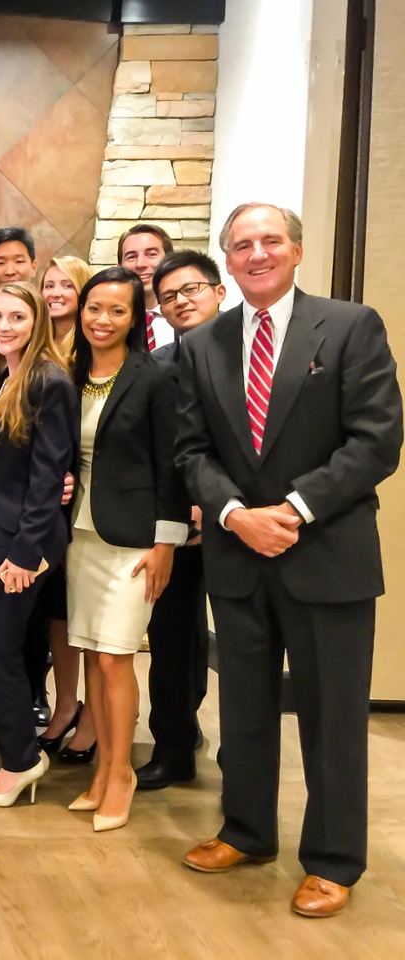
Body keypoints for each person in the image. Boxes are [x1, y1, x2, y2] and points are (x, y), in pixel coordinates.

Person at [176, 203, 403, 918]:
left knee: (332, 716)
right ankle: (245, 830)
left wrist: (294, 510)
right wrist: (238, 515)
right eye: (242, 245)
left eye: (270, 240)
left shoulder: (350, 326)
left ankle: (333, 860)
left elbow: (376, 440)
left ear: (296, 251)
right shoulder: (201, 343)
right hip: (238, 553)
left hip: (326, 553)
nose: (257, 253)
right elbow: (190, 452)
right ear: (228, 262)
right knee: (242, 707)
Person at [64, 266, 189, 833]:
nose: (102, 319)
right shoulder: (69, 371)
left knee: (116, 656)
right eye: (94, 308)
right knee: (92, 653)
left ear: (136, 317)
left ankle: (122, 773)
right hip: (80, 535)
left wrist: (168, 543)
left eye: (117, 310)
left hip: (134, 541)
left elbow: (173, 465)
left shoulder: (154, 377)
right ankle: (100, 769)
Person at [0, 282, 76, 808]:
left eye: (18, 317)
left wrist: (27, 553)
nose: (5, 326)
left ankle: (21, 761)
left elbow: (49, 476)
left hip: (24, 542)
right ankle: (17, 755)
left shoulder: (48, 381)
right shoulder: (5, 376)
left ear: (36, 323)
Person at [138, 250, 225, 790]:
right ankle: (173, 748)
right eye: (169, 296)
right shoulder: (157, 366)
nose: (181, 301)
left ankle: (241, 764)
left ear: (220, 291)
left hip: (245, 526)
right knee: (169, 639)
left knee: (240, 648)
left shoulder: (253, 354)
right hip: (177, 527)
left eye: (192, 289)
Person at [36, 255, 98, 763]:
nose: (55, 291)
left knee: (86, 613)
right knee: (58, 613)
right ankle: (65, 705)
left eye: (65, 284)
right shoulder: (36, 344)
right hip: (46, 499)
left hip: (87, 499)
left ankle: (96, 717)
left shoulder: (90, 347)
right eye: (48, 284)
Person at [117, 224, 175, 350]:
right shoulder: (111, 321)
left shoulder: (186, 315)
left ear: (169, 261)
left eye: (151, 254)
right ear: (119, 267)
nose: (140, 264)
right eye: (131, 257)